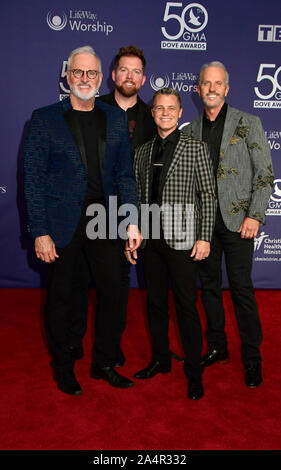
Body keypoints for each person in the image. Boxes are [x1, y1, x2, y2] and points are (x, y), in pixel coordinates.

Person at [24, 45, 141, 395]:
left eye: (91, 73)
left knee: (113, 293)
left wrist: (132, 220)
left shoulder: (115, 118)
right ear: (68, 75)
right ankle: (62, 365)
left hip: (103, 218)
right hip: (61, 220)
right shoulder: (44, 118)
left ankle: (103, 362)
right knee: (61, 295)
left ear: (101, 77)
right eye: (78, 72)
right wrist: (40, 231)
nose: (85, 79)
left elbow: (125, 175)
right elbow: (33, 178)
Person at [184, 61, 274, 387]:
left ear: (227, 88)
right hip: (204, 225)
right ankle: (218, 346)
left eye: (217, 83)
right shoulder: (190, 131)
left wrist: (255, 214)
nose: (211, 88)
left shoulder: (248, 123)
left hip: (239, 223)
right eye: (206, 83)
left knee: (241, 289)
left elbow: (265, 175)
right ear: (198, 90)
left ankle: (252, 357)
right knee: (208, 288)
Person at [69, 45, 158, 367]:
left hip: (132, 212)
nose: (129, 76)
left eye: (136, 71)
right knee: (79, 278)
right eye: (124, 70)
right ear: (112, 75)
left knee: (118, 284)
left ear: (143, 79)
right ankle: (73, 340)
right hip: (94, 209)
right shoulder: (94, 107)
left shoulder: (152, 117)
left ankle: (111, 344)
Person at [125, 88, 216, 400]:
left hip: (182, 241)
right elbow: (136, 199)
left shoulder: (196, 148)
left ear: (180, 113)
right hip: (150, 241)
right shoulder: (142, 152)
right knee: (155, 304)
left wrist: (204, 236)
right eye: (159, 108)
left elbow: (208, 195)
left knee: (186, 306)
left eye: (171, 108)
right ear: (153, 113)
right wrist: (131, 233)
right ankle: (161, 360)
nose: (165, 113)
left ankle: (193, 371)